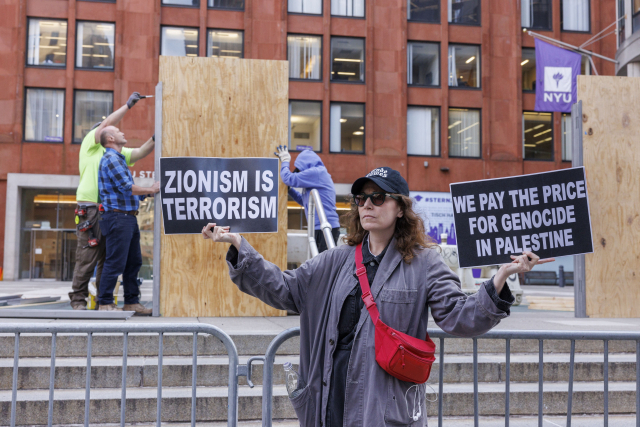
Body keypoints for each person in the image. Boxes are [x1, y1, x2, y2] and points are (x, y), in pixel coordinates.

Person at [202, 166, 553, 427]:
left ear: (400, 208)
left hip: (382, 402)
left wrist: (502, 278)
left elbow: (459, 316)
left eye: (378, 197)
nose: (367, 204)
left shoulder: (425, 262)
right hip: (329, 393)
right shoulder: (337, 258)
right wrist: (238, 247)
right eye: (361, 198)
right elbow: (284, 287)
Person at [68, 92, 155, 310]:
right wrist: (128, 106)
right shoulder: (91, 144)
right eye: (111, 129)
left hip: (109, 209)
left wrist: (157, 136)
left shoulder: (117, 153)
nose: (116, 129)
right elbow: (107, 124)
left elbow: (140, 152)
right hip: (90, 208)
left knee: (108, 258)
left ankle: (103, 302)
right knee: (87, 257)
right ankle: (79, 301)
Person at [97, 125, 160, 313]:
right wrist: (151, 189)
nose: (123, 132)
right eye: (118, 131)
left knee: (133, 262)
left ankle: (131, 302)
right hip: (118, 218)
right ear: (110, 138)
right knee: (115, 262)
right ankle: (105, 303)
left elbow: (127, 193)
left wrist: (147, 194)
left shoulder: (118, 159)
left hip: (127, 217)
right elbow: (126, 187)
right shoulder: (111, 159)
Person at [275, 146, 341, 252]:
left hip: (325, 228)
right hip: (319, 228)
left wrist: (285, 161)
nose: (300, 173)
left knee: (324, 266)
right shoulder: (314, 178)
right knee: (319, 265)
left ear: (305, 165)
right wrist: (290, 190)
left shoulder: (316, 172)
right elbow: (303, 201)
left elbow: (288, 178)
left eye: (300, 170)